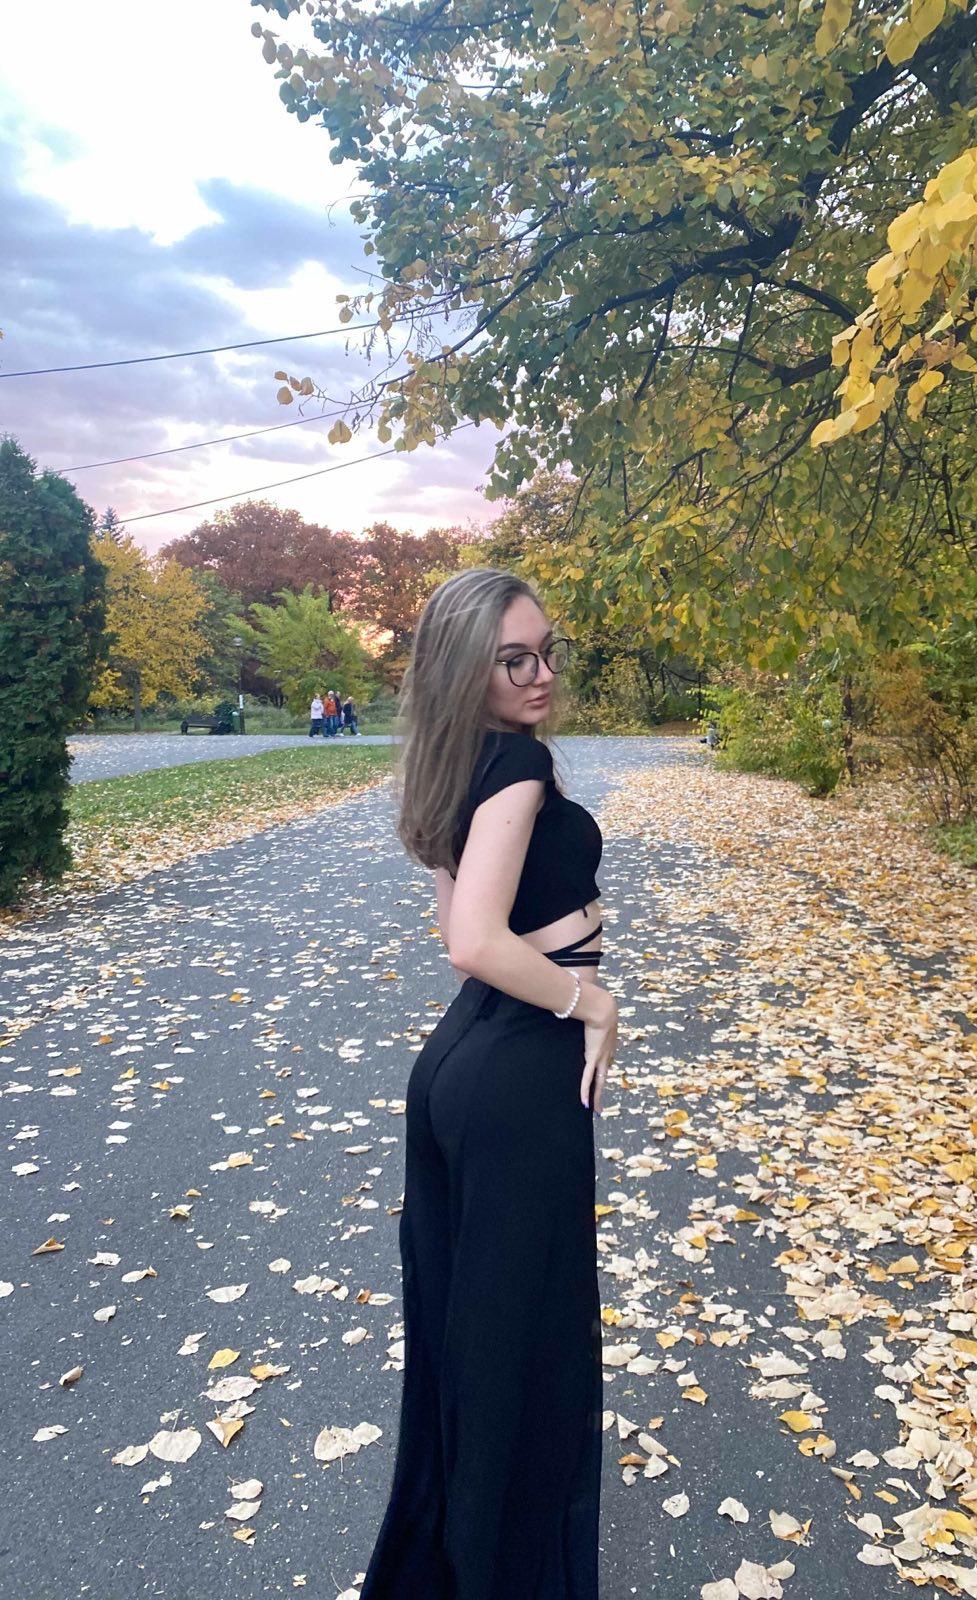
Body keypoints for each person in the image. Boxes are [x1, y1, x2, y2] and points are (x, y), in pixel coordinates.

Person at [357, 568, 617, 1600]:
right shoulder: (516, 761)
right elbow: (472, 940)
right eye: (515, 659)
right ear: (468, 668)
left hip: (463, 1064)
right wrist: (588, 1002)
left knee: (468, 1349)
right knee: (531, 1361)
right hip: (517, 1070)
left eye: (547, 651)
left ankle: (453, 1572)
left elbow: (455, 922)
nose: (540, 673)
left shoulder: (455, 759)